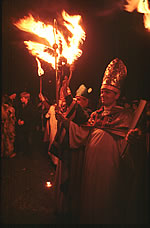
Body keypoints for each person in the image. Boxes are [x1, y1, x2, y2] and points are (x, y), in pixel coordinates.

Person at [55, 58, 148, 224]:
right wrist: (66, 122)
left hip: (109, 165)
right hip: (90, 163)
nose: (103, 94)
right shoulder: (95, 115)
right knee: (89, 192)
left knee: (105, 194)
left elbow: (127, 146)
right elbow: (82, 134)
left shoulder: (125, 116)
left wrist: (134, 138)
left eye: (107, 92)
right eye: (102, 91)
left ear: (117, 95)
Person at [52, 79, 93, 221]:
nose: (77, 101)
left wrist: (66, 90)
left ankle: (70, 210)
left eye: (81, 99)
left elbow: (80, 131)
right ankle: (61, 206)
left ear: (86, 102)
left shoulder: (87, 114)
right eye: (76, 98)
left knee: (72, 182)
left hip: (76, 154)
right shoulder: (74, 110)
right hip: (66, 151)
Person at [15, 91, 36, 156]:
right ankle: (23, 152)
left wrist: (24, 121)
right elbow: (19, 114)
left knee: (29, 140)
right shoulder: (20, 106)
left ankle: (29, 154)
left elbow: (33, 117)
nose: (21, 99)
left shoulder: (31, 106)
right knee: (22, 139)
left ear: (26, 98)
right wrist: (19, 120)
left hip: (29, 126)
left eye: (22, 98)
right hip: (22, 126)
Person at [1, 94, 16, 158]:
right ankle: (9, 153)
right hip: (9, 126)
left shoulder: (3, 108)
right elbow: (11, 118)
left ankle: (3, 152)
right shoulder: (10, 109)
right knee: (9, 139)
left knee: (4, 139)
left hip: (4, 126)